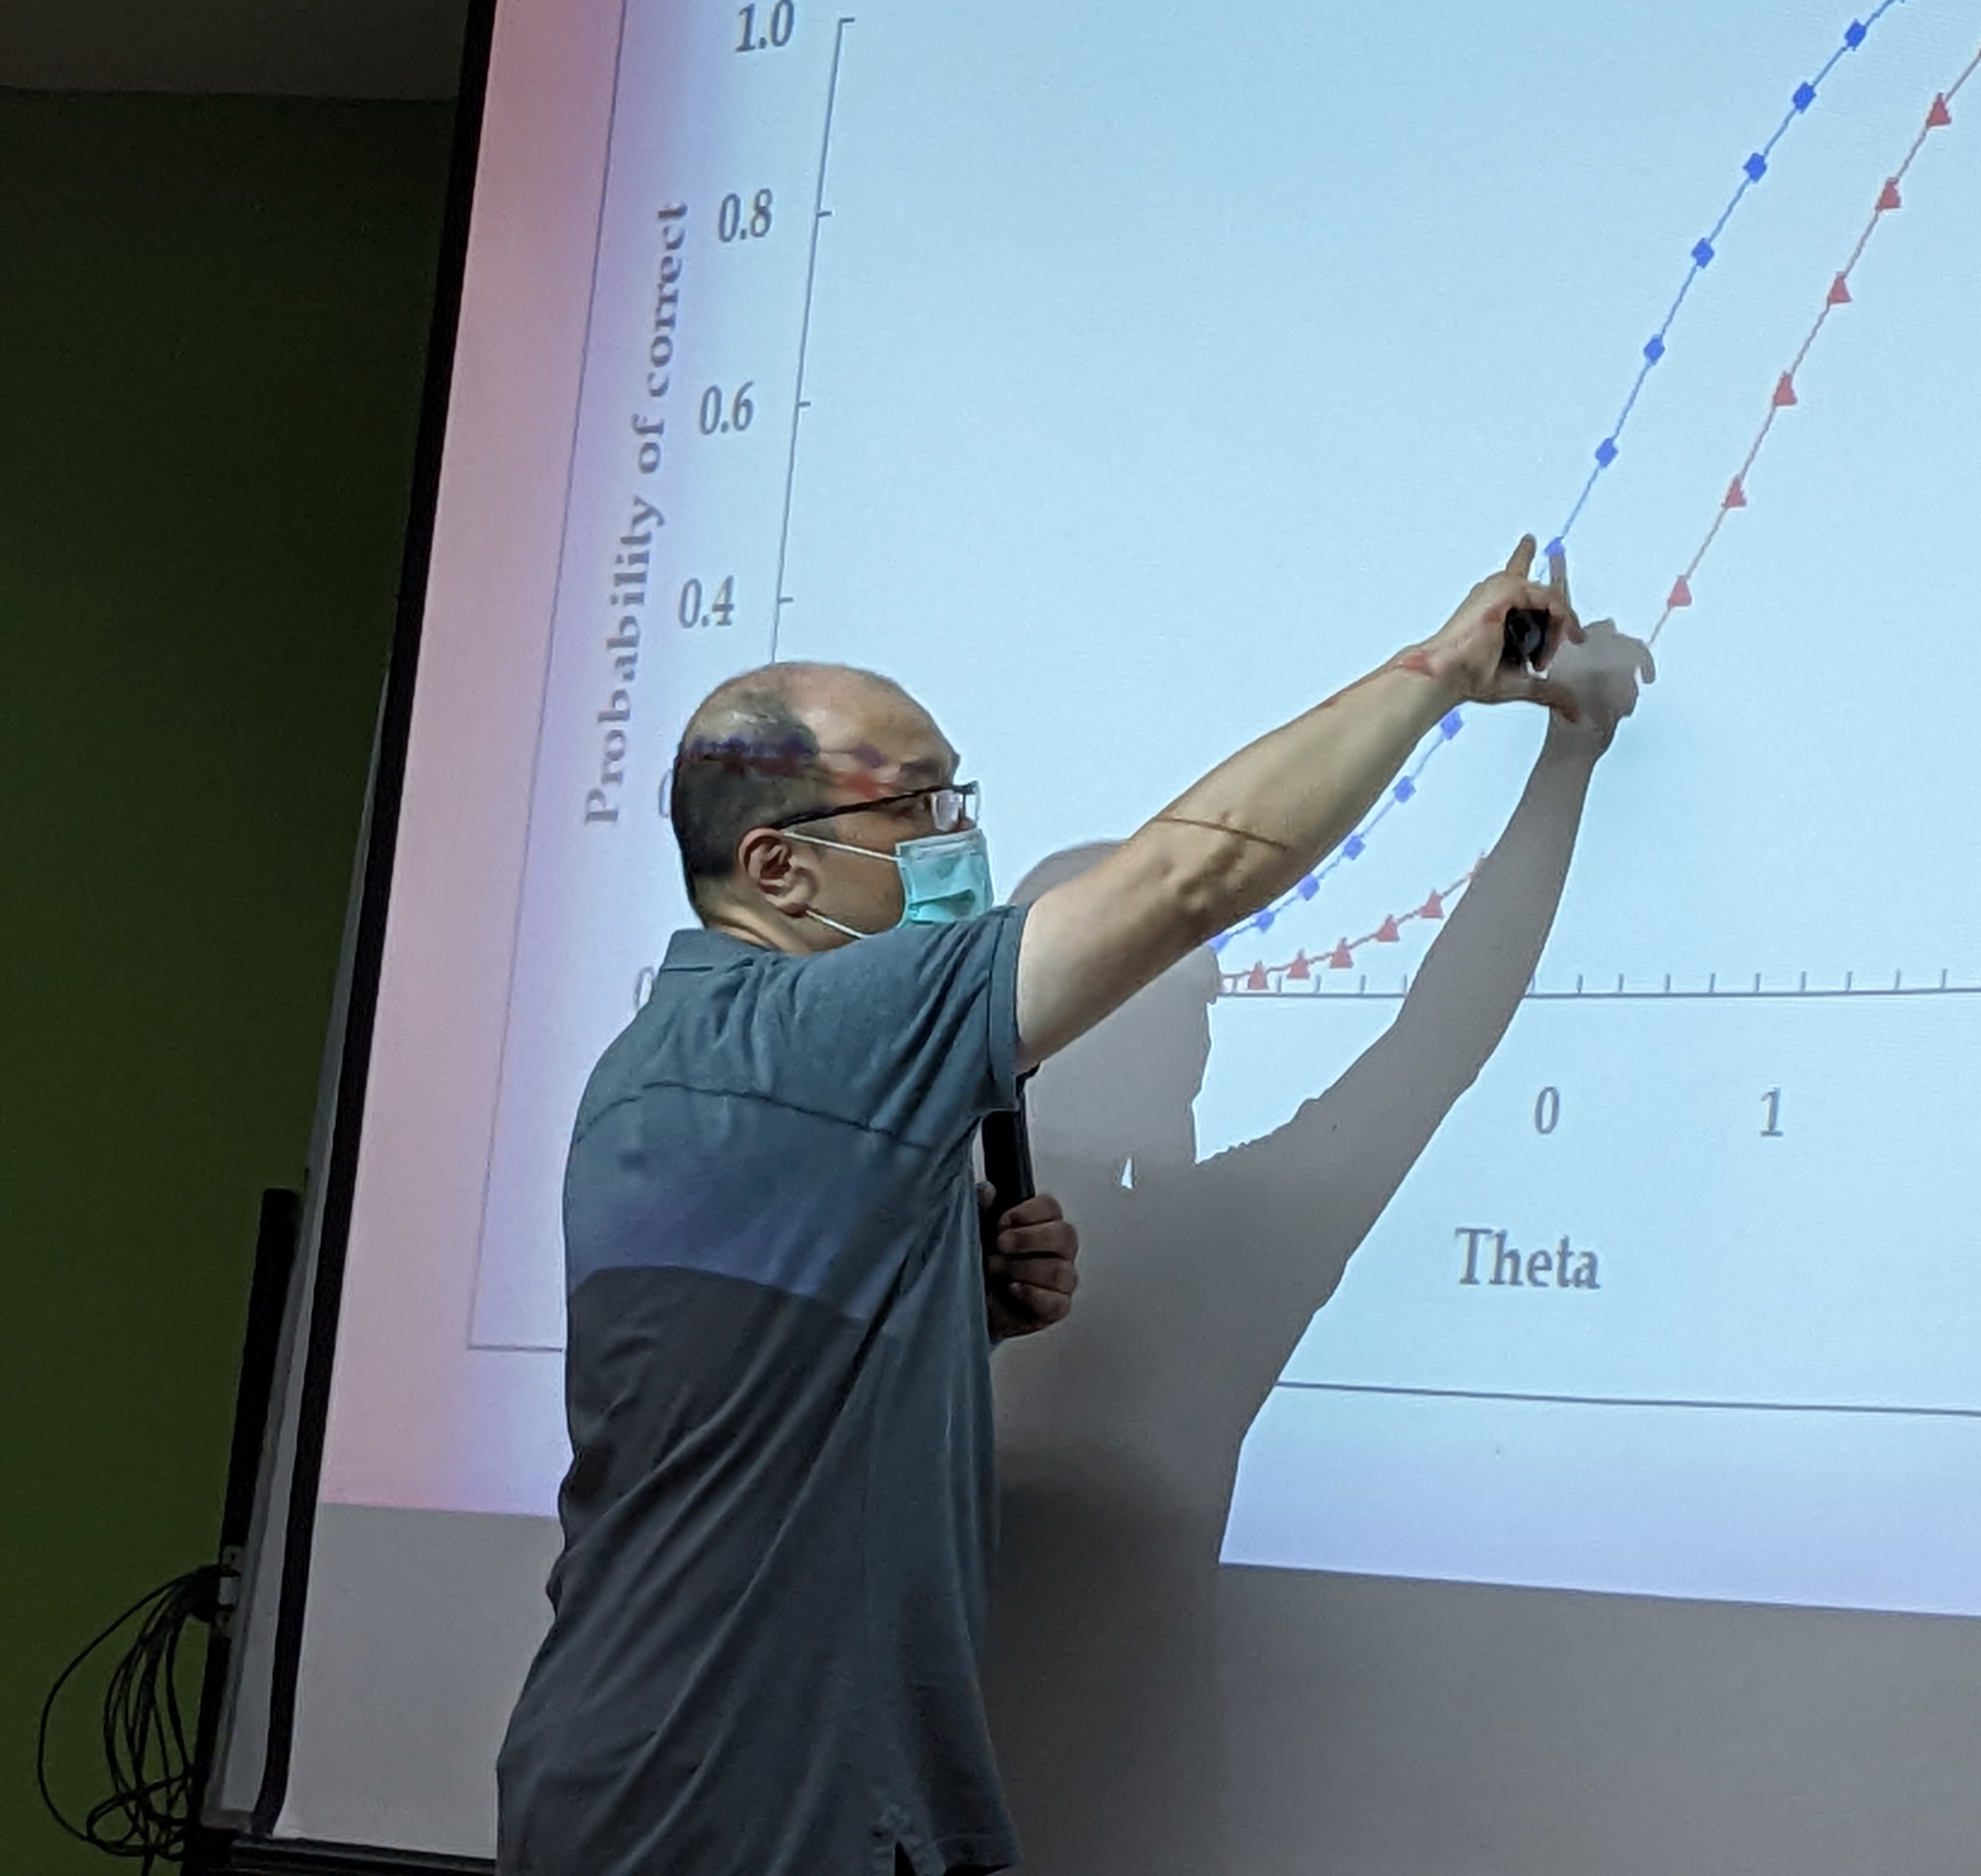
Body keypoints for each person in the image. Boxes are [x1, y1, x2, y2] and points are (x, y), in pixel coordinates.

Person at [495, 541, 1599, 1876]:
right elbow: (1189, 881)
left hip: (665, 1785)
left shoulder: (668, 1065)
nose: (959, 840)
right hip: (730, 1813)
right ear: (779, 870)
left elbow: (739, 1382)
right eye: (918, 805)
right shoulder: (819, 1031)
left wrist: (944, 1309)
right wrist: (1439, 674)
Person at [981, 613, 1652, 1876]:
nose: (1192, 1028)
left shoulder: (1215, 1245)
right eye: (1156, 996)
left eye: (1195, 998)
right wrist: (1568, 761)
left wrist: (1568, 763)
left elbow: (1444, 1030)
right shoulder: (904, 1233)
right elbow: (1442, 1035)